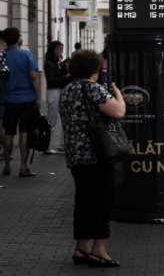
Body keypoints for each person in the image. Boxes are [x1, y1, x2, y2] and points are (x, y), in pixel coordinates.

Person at [59, 50, 125, 268]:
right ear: (95, 70)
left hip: (76, 156)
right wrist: (117, 94)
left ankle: (81, 247)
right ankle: (99, 250)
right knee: (102, 202)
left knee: (84, 202)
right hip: (97, 155)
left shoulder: (68, 90)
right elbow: (117, 112)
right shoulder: (93, 89)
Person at [1, 27, 42, 177]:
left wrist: (6, 91)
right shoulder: (26, 55)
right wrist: (38, 97)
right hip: (27, 99)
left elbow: (0, 79)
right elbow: (33, 76)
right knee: (25, 132)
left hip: (10, 99)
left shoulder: (1, 56)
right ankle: (23, 167)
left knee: (9, 132)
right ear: (18, 39)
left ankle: (6, 165)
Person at [44, 41, 71, 154]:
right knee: (52, 120)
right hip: (54, 92)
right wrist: (66, 76)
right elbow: (52, 80)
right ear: (53, 49)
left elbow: (56, 75)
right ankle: (47, 145)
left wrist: (63, 68)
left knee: (64, 117)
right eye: (59, 48)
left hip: (57, 91)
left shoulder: (54, 62)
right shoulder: (50, 63)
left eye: (62, 48)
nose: (61, 51)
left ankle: (62, 144)